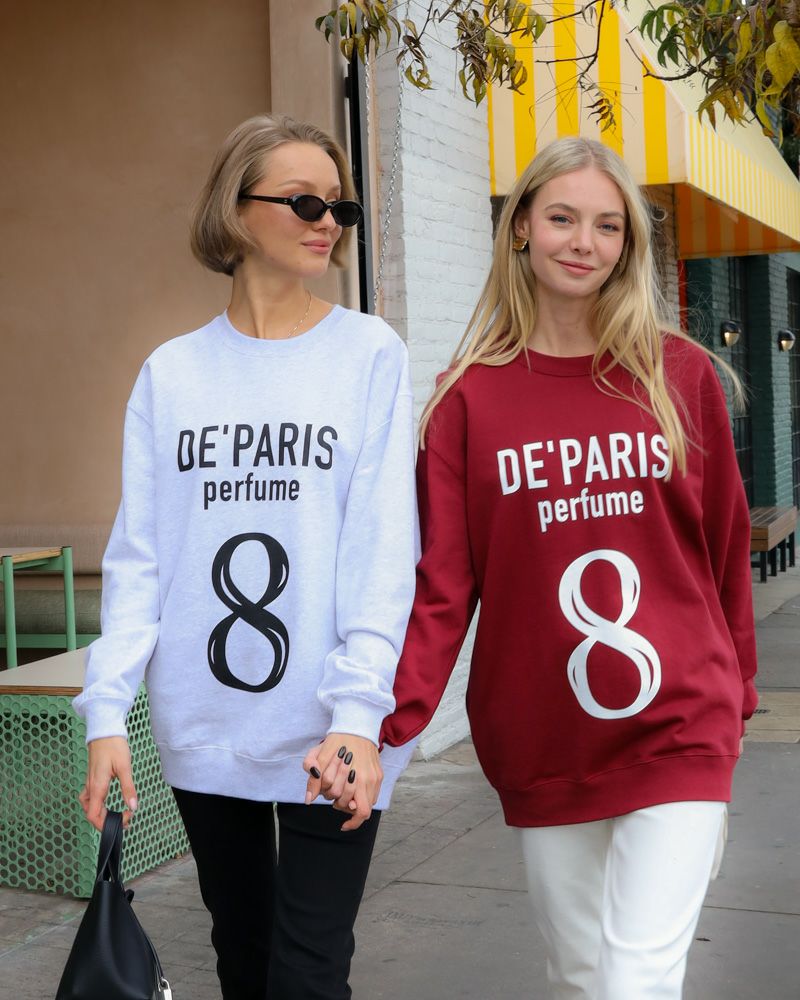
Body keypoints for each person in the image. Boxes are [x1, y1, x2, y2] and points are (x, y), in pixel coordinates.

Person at [381, 136, 757, 1000]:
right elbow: (444, 590)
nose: (584, 242)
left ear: (628, 244)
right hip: (543, 735)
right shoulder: (466, 400)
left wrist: (737, 693)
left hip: (682, 721)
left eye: (608, 226)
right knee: (583, 978)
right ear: (521, 227)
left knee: (632, 979)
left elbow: (725, 547)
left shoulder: (679, 375)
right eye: (562, 218)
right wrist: (386, 723)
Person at [74, 113, 418, 1000]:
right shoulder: (172, 373)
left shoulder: (368, 355)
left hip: (333, 726)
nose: (328, 221)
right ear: (235, 209)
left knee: (308, 975)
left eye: (339, 205)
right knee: (242, 955)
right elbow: (140, 559)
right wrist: (106, 712)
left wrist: (359, 711)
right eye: (304, 201)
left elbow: (383, 549)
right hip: (205, 718)